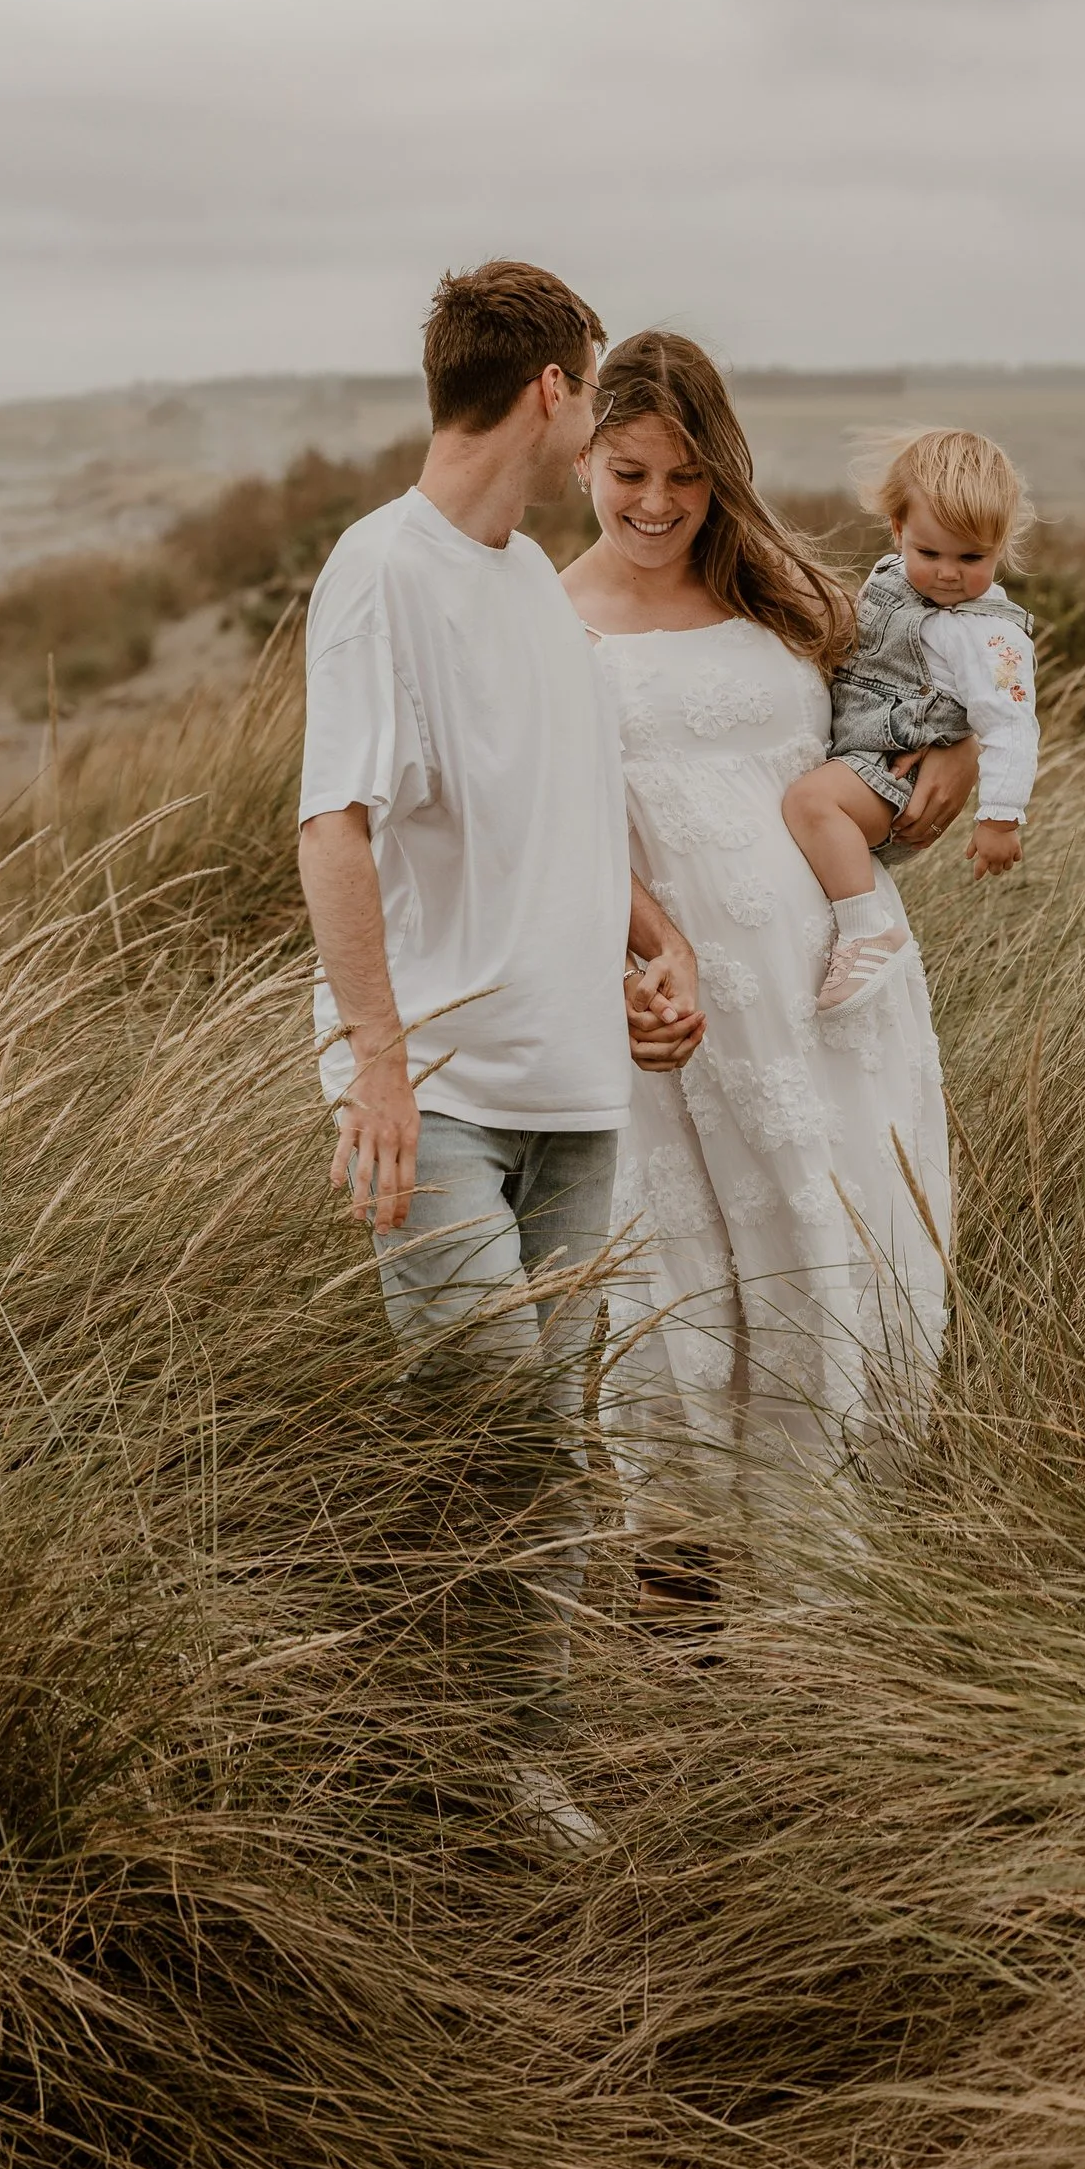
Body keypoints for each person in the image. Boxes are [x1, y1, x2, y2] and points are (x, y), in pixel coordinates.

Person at [295, 259, 702, 1794]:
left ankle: (511, 1767)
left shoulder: (531, 579)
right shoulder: (380, 570)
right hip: (443, 1100)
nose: (591, 415)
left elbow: (573, 821)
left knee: (548, 1443)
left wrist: (659, 956)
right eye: (589, 391)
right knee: (493, 1433)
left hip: (579, 1094)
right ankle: (407, 1740)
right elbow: (331, 829)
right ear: (551, 393)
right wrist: (382, 1069)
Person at [558, 332, 971, 1584]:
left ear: (720, 471)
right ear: (583, 452)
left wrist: (952, 755)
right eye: (628, 470)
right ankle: (681, 1603)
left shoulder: (782, 590)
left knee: (836, 1253)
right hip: (665, 1009)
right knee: (680, 1288)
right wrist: (648, 946)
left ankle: (827, 1600)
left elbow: (927, 679)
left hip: (827, 994)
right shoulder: (541, 620)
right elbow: (546, 825)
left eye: (684, 476)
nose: (655, 504)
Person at [782, 428, 1039, 1014]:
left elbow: (1011, 724)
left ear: (999, 546)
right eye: (929, 554)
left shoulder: (989, 634)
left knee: (810, 804)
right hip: (858, 748)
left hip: (895, 773)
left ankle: (865, 931)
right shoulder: (889, 577)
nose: (948, 574)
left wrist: (999, 818)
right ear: (898, 531)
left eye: (971, 558)